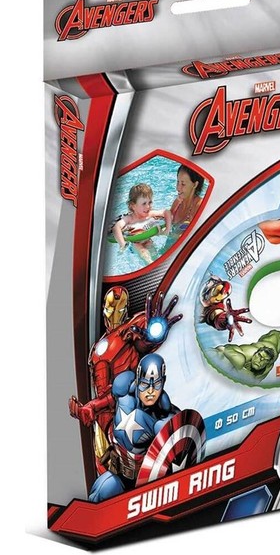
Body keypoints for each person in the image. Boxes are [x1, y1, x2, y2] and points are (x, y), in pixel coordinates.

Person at [69, 289, 182, 473]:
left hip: (135, 401)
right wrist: (90, 409)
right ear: (104, 310)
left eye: (119, 310)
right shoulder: (100, 348)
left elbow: (143, 334)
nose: (113, 314)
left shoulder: (129, 330)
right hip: (112, 418)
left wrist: (152, 334)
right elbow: (104, 390)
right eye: (110, 309)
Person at [111, 183, 172, 262]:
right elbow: (116, 227)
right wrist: (122, 244)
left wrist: (167, 229)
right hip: (135, 242)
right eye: (144, 204)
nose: (148, 206)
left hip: (147, 240)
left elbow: (166, 212)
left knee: (153, 251)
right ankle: (150, 264)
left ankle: (157, 265)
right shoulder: (130, 219)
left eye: (150, 202)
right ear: (133, 206)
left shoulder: (150, 214)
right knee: (143, 252)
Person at [215, 329, 280, 381]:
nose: (260, 361)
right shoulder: (248, 353)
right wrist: (223, 349)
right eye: (260, 356)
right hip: (270, 343)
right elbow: (224, 348)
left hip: (275, 339)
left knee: (278, 337)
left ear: (268, 362)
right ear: (255, 354)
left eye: (264, 360)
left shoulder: (265, 366)